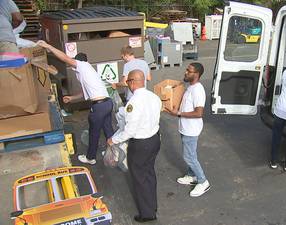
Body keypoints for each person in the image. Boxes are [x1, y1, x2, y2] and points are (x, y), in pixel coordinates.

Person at [37, 40, 114, 165]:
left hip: (99, 106)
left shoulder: (82, 65)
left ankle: (90, 158)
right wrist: (72, 98)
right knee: (108, 130)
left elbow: (65, 58)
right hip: (107, 103)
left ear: (78, 61)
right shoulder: (89, 71)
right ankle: (114, 154)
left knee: (94, 133)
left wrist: (48, 46)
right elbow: (85, 93)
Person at [107, 70, 161, 223]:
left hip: (141, 144)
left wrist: (114, 140)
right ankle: (152, 205)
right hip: (154, 139)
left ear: (131, 82)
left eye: (127, 82)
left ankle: (147, 214)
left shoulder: (133, 103)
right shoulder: (153, 97)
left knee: (139, 178)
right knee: (149, 173)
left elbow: (130, 130)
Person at [166, 62, 210, 197]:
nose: (185, 72)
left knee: (189, 156)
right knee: (191, 154)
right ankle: (192, 176)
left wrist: (178, 114)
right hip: (185, 128)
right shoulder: (190, 87)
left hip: (191, 130)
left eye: (189, 71)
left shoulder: (197, 90)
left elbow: (198, 113)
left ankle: (203, 181)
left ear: (196, 74)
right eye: (186, 70)